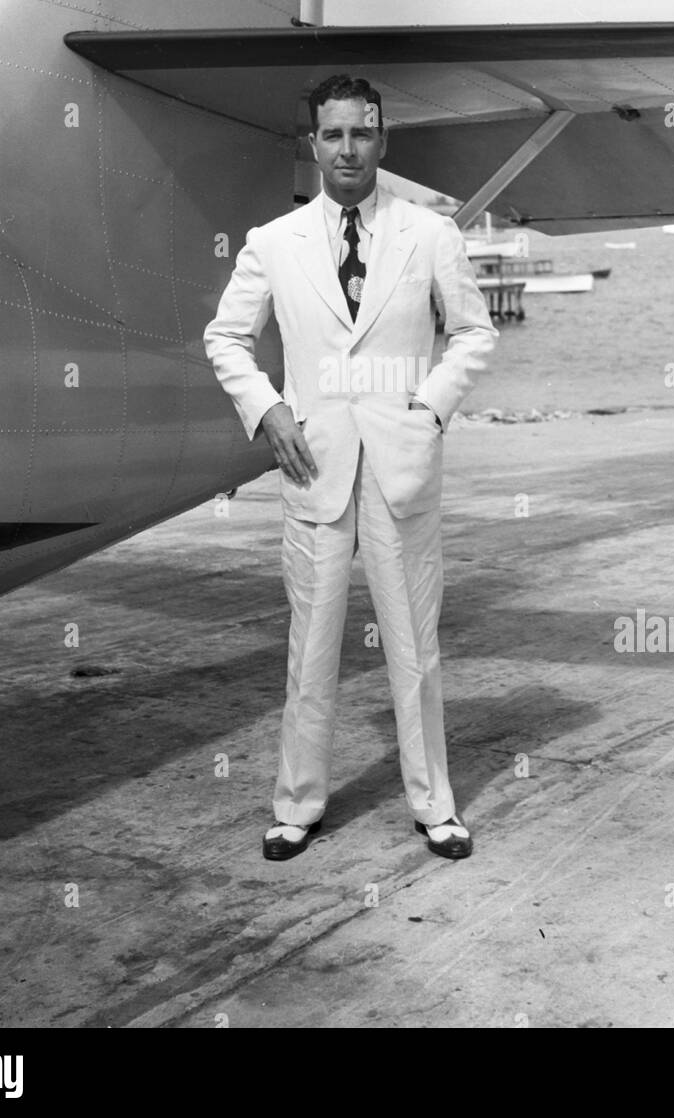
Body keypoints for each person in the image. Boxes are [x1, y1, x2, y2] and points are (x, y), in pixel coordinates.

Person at [204, 73, 498, 861]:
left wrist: (431, 408)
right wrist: (267, 410)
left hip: (402, 467)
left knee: (416, 645)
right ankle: (297, 806)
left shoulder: (429, 234)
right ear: (313, 144)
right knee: (311, 647)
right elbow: (225, 338)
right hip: (314, 470)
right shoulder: (275, 241)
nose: (347, 148)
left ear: (382, 138)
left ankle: (434, 805)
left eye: (361, 133)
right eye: (332, 134)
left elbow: (473, 333)